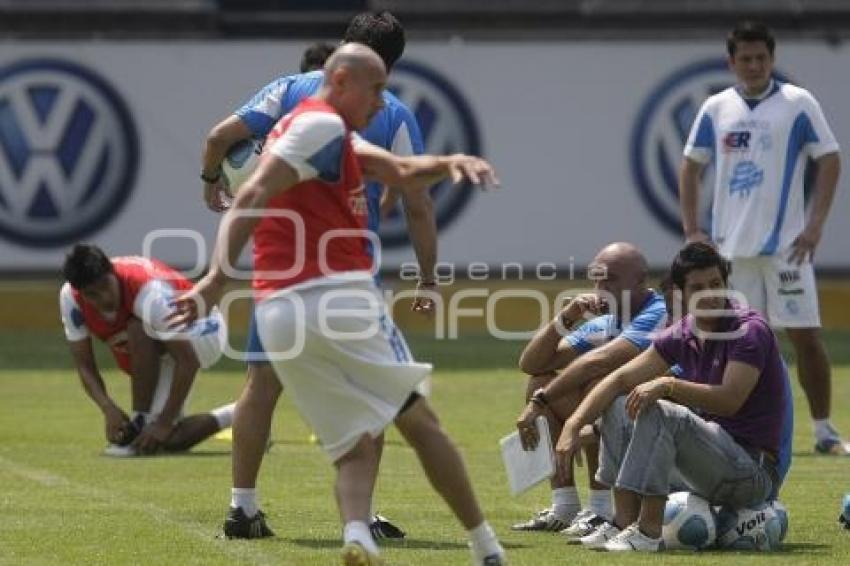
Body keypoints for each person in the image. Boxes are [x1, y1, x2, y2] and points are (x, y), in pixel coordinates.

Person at [171, 44, 505, 565]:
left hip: (281, 314)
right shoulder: (319, 126)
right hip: (337, 299)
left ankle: (357, 534)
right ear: (342, 79)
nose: (382, 101)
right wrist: (215, 279)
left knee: (354, 441)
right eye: (376, 89)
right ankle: (488, 549)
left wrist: (448, 162)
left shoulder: (315, 132)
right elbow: (254, 194)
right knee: (421, 423)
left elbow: (396, 171)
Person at [200, 12, 437, 539]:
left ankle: (242, 507)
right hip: (348, 275)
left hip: (279, 270)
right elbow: (417, 205)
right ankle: (362, 517)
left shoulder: (287, 90)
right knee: (368, 390)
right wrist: (429, 279)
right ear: (390, 65)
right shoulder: (392, 113)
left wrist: (211, 179)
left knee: (260, 386)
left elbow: (219, 138)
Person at [548, 242, 787, 552]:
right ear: (681, 294)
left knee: (661, 409)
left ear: (727, 283)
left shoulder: (748, 330)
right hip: (707, 465)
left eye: (716, 284)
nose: (710, 294)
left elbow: (731, 399)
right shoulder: (683, 331)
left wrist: (666, 386)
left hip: (751, 474)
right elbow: (619, 378)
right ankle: (621, 521)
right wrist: (573, 425)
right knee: (620, 402)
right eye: (698, 287)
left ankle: (647, 533)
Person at [679, 21, 844, 455]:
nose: (754, 65)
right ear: (732, 62)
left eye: (762, 58)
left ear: (772, 59)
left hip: (787, 249)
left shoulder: (796, 103)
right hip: (730, 253)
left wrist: (814, 226)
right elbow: (690, 166)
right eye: (745, 58)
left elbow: (829, 159)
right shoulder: (716, 108)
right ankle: (729, 426)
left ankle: (825, 429)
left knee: (805, 336)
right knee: (730, 339)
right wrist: (692, 229)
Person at [512, 243, 668, 536]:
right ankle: (565, 506)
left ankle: (601, 508)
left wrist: (540, 404)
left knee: (597, 386)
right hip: (626, 422)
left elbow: (600, 362)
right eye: (596, 279)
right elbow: (531, 362)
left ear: (640, 280)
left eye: (609, 279)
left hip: (663, 424)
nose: (600, 287)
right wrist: (567, 316)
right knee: (540, 381)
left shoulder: (658, 312)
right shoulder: (608, 322)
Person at [59, 244, 235, 456]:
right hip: (165, 344)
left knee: (137, 328)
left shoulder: (150, 294)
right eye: (92, 294)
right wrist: (108, 409)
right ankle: (244, 414)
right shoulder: (70, 299)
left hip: (203, 330)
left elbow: (188, 360)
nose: (104, 298)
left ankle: (140, 418)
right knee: (165, 441)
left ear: (112, 273)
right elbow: (84, 365)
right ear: (79, 292)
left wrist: (165, 422)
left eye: (105, 285)